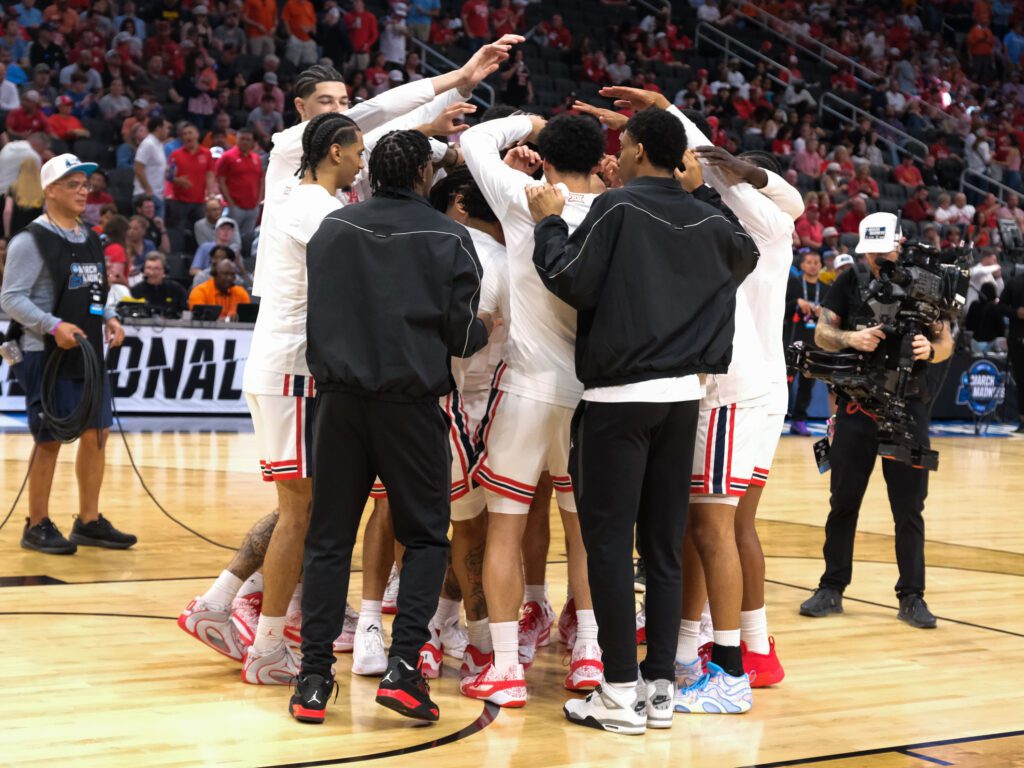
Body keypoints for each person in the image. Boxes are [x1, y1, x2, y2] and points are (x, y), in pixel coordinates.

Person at [528, 106, 757, 733]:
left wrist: (548, 227)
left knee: (606, 544)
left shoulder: (619, 207)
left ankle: (620, 692)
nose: (618, 150)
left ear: (635, 151)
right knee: (661, 547)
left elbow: (571, 279)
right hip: (683, 399)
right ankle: (659, 688)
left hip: (618, 400)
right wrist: (700, 187)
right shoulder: (709, 217)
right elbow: (745, 255)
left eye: (623, 141)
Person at [292, 129, 489, 724]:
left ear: (372, 173)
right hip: (409, 406)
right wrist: (483, 331)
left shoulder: (333, 228)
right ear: (424, 177)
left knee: (329, 539)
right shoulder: (451, 236)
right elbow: (461, 335)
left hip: (338, 404)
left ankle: (313, 679)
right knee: (427, 537)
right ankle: (405, 669)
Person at [460, 112, 605, 707]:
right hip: (589, 394)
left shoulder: (523, 199)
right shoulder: (613, 213)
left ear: (542, 157)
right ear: (602, 162)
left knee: (505, 527)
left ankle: (504, 667)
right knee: (585, 530)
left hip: (523, 390)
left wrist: (526, 121)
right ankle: (590, 653)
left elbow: (471, 140)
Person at [237, 112, 366, 685]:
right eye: (358, 151)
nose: (363, 161)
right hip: (292, 371)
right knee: (297, 514)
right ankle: (267, 645)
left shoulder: (293, 199)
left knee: (303, 511)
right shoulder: (318, 211)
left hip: (282, 367)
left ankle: (240, 608)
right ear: (335, 152)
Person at [800, 212, 954, 628]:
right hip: (856, 408)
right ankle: (831, 587)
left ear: (899, 244)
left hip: (908, 408)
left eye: (882, 251)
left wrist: (929, 348)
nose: (874, 260)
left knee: (909, 508)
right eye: (869, 252)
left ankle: (912, 596)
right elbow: (821, 331)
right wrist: (850, 337)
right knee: (843, 501)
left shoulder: (926, 283)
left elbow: (945, 342)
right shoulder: (850, 280)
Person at [0, 153, 132, 554]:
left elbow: (95, 290)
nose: (83, 191)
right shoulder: (30, 240)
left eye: (85, 184)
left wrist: (109, 316)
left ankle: (88, 522)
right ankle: (35, 523)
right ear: (50, 190)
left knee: (97, 433)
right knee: (50, 438)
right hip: (45, 352)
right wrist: (52, 325)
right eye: (73, 184)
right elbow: (11, 299)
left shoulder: (91, 237)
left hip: (88, 351)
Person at [786, 250, 828, 435]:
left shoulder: (826, 288)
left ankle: (799, 420)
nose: (812, 265)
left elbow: (832, 317)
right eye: (809, 262)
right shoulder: (793, 284)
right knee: (785, 381)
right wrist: (796, 302)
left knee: (807, 383)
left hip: (814, 343)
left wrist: (823, 313)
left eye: (816, 262)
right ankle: (778, 416)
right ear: (802, 265)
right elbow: (782, 309)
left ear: (821, 266)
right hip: (793, 340)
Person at [215, 127, 263, 237]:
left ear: (252, 142)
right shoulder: (226, 157)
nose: (245, 142)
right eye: (242, 139)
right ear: (236, 139)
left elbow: (260, 180)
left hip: (253, 207)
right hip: (235, 207)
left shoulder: (256, 158)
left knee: (247, 238)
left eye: (248, 139)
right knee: (230, 236)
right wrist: (230, 203)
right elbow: (220, 181)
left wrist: (258, 202)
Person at [168, 123, 216, 231]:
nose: (187, 136)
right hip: (179, 201)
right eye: (184, 134)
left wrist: (210, 192)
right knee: (178, 231)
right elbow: (169, 175)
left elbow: (210, 174)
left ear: (197, 135)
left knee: (200, 230)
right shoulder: (175, 154)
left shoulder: (206, 153)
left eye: (190, 133)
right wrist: (177, 180)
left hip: (199, 201)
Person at [999, 270, 1024, 432]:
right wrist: (1015, 313)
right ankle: (1023, 419)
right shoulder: (1014, 282)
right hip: (1017, 339)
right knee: (1021, 380)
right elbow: (1000, 307)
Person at [130, 251, 186, 317]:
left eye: (156, 268)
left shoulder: (176, 289)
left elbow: (185, 312)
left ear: (164, 271)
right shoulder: (135, 291)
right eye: (148, 268)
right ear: (143, 270)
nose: (152, 273)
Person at [133, 117, 169, 219]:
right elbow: (138, 168)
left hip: (158, 195)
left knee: (157, 231)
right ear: (158, 128)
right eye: (166, 128)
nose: (168, 131)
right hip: (146, 195)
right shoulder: (148, 144)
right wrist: (148, 189)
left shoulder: (159, 145)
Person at [4, 156, 44, 238]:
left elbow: (7, 211)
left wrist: (7, 234)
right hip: (36, 231)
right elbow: (47, 211)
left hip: (16, 231)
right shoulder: (42, 188)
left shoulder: (13, 187)